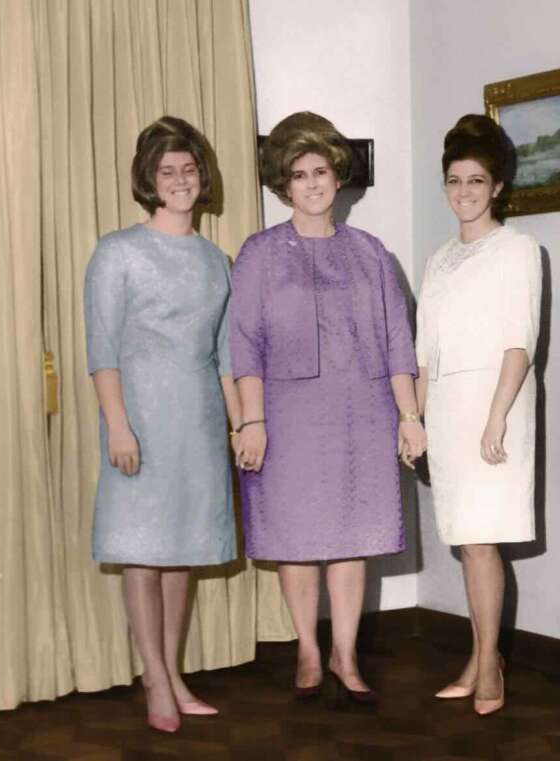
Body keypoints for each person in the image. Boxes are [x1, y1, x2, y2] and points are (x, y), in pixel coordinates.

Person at [230, 112, 423, 704]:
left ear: (338, 177)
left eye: (320, 171)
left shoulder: (371, 253)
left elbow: (397, 341)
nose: (312, 183)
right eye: (299, 174)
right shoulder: (259, 253)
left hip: (362, 409)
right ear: (283, 185)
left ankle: (345, 653)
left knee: (350, 535)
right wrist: (252, 421)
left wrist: (409, 417)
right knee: (296, 535)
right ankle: (308, 652)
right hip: (286, 414)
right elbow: (244, 344)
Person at [83, 116, 241, 733]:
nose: (180, 180)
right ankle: (154, 677)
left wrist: (239, 427)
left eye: (189, 169)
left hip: (198, 422)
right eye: (167, 171)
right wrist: (118, 426)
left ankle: (173, 673)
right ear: (149, 181)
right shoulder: (117, 251)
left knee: (184, 555)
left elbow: (226, 358)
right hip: (140, 419)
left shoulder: (216, 260)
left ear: (203, 177)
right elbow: (102, 351)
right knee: (143, 554)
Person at [415, 114, 541, 716]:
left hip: (495, 408)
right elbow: (423, 353)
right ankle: (479, 657)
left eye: (475, 181)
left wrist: (495, 420)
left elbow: (520, 343)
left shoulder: (519, 250)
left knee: (482, 541)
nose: (463, 192)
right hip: (445, 411)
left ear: (497, 187)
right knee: (467, 543)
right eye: (454, 180)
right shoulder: (438, 259)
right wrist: (413, 418)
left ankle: (489, 666)